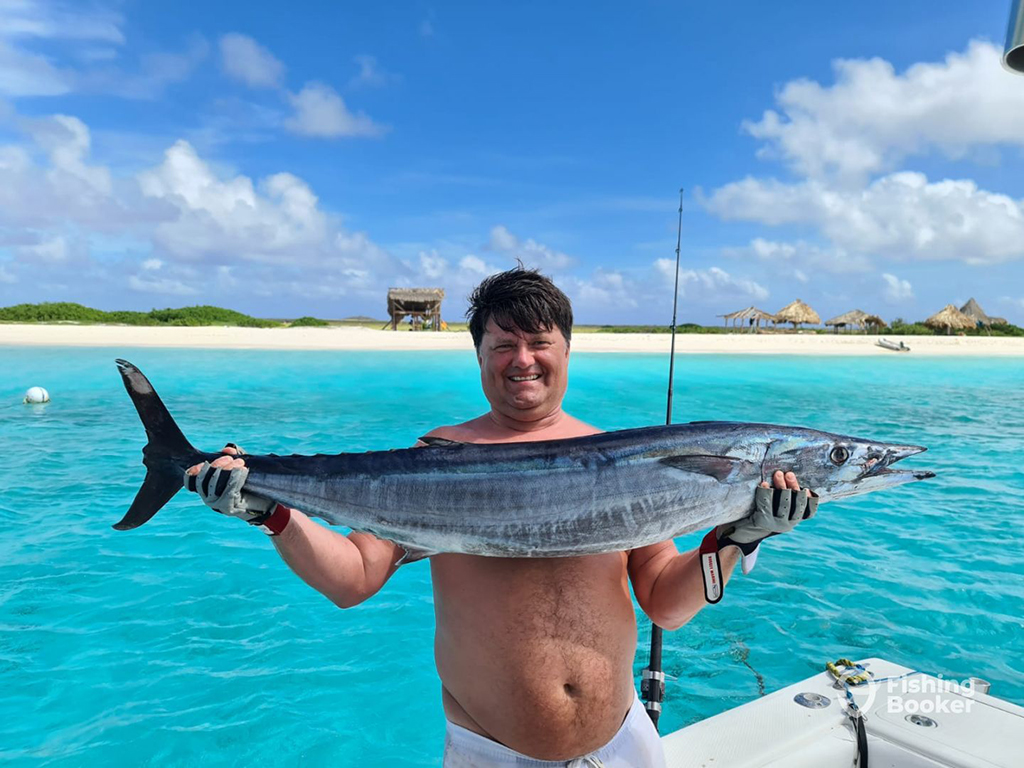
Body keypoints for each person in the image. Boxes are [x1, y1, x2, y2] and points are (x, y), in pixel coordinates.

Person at [186, 267, 815, 767]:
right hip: (493, 756)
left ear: (567, 350)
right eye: (504, 344)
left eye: (540, 342)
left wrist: (741, 535)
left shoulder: (625, 462)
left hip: (625, 742)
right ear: (480, 355)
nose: (523, 360)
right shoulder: (435, 460)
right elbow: (352, 579)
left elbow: (666, 605)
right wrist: (268, 512)